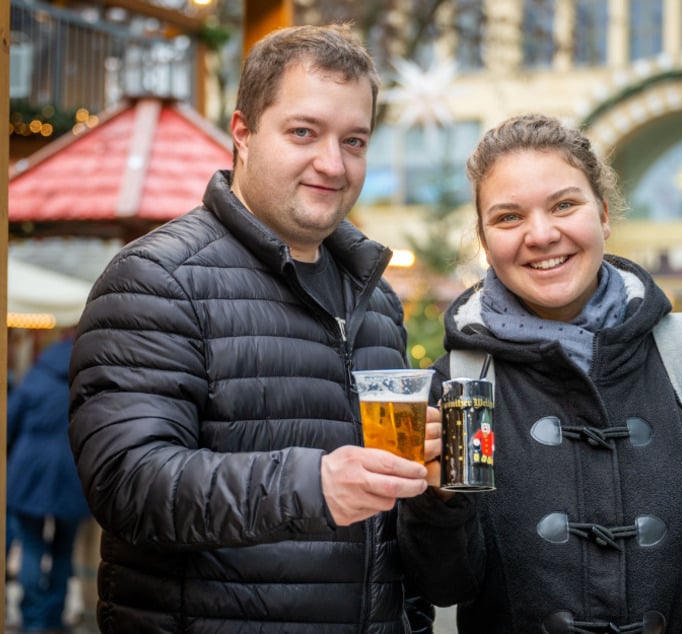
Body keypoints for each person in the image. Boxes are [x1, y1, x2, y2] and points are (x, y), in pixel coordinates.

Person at [68, 25, 439, 633]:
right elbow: (126, 483)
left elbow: (391, 534)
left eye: (354, 140)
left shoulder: (378, 303)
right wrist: (312, 486)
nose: (333, 163)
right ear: (242, 133)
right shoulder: (158, 278)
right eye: (303, 133)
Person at [398, 114, 682, 633]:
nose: (542, 234)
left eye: (565, 205)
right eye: (508, 217)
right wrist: (439, 504)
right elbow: (442, 586)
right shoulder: (459, 384)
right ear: (483, 238)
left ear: (604, 214)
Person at [8, 336, 91, 633]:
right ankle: (53, 619)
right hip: (72, 473)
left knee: (30, 547)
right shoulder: (86, 385)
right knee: (62, 550)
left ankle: (32, 619)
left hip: (29, 472)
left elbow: (9, 422)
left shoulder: (35, 378)